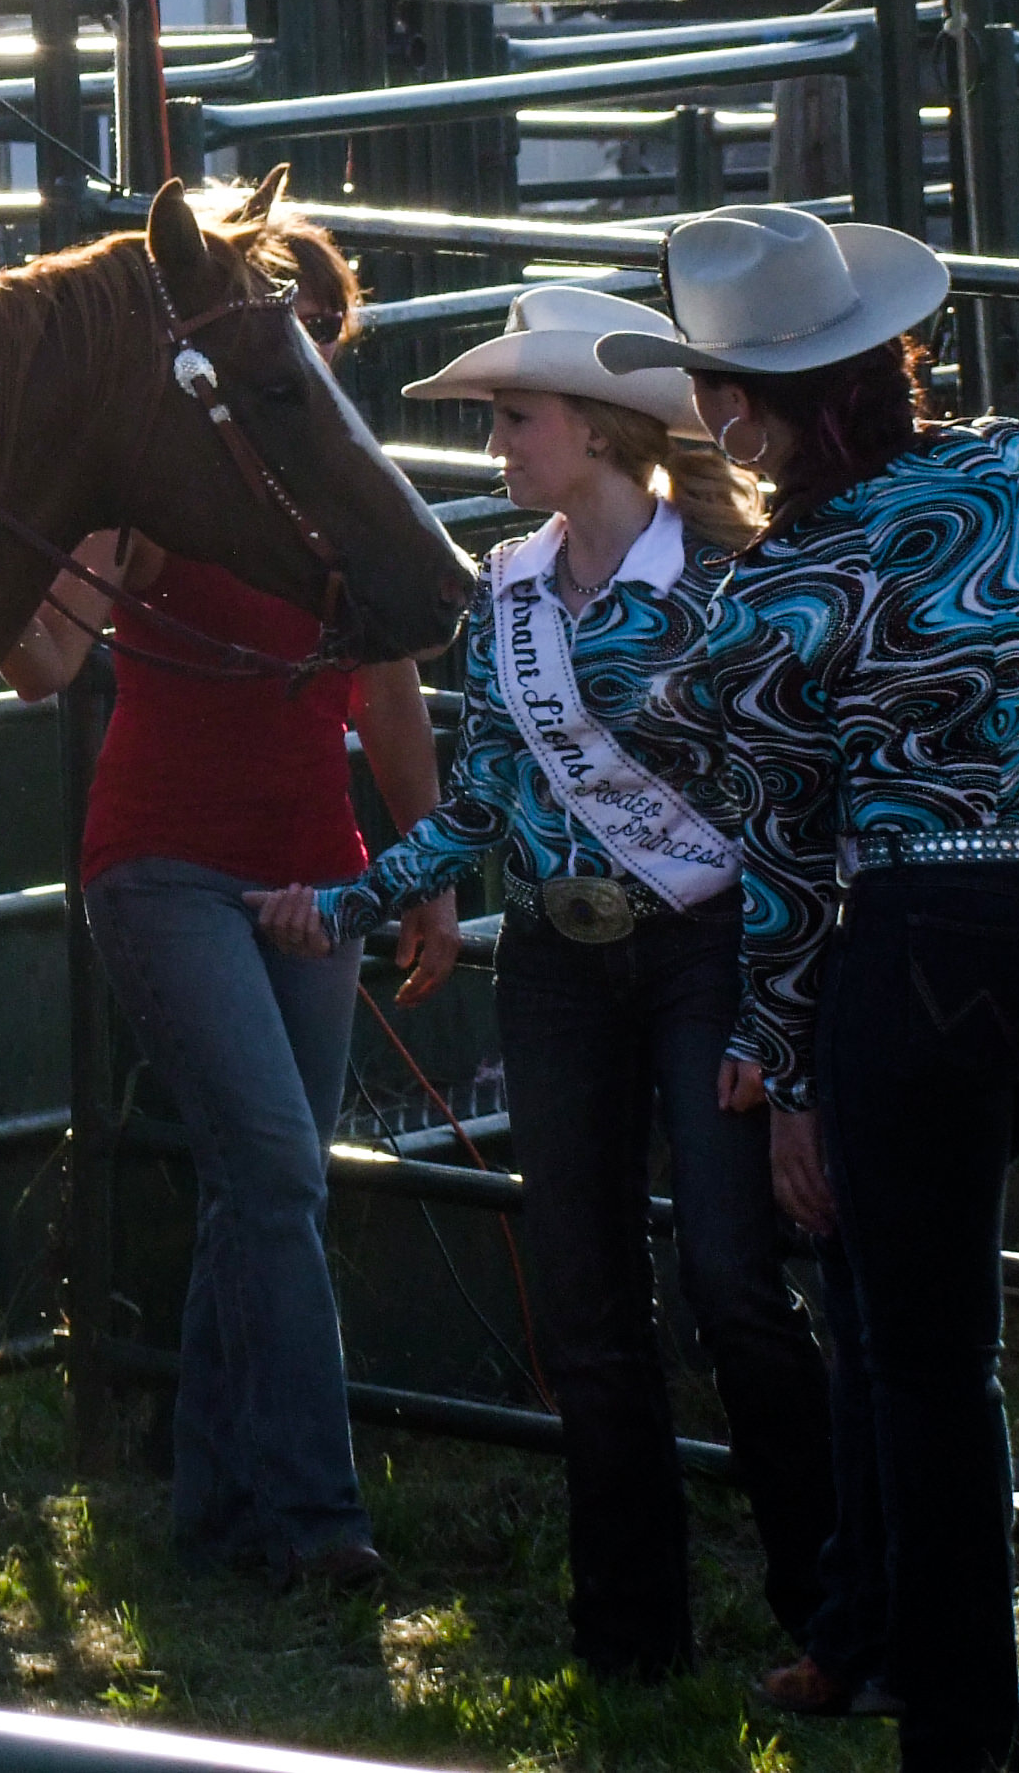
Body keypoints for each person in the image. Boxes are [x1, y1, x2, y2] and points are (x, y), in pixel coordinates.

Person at [249, 286, 837, 1679]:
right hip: (560, 959)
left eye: (516, 420)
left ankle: (832, 1606)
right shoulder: (509, 588)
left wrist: (773, 1013)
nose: (498, 445)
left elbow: (781, 809)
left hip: (704, 948)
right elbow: (483, 803)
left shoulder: (727, 582)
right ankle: (630, 1632)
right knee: (581, 1298)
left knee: (731, 1280)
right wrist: (349, 902)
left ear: (596, 429)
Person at [598, 206, 1019, 1771]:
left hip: (919, 946)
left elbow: (782, 855)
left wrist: (783, 1067)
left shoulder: (776, 595)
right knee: (935, 1309)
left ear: (740, 412)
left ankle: (959, 1723)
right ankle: (897, 1640)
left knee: (923, 1349)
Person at [0, 267, 457, 1595]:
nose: (302, 358)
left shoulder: (341, 504)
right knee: (274, 1170)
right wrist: (13, 545)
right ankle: (315, 1511)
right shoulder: (152, 493)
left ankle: (215, 1511)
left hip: (314, 869)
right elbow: (43, 665)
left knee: (257, 1189)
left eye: (313, 337)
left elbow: (387, 691)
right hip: (166, 863)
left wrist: (423, 869)